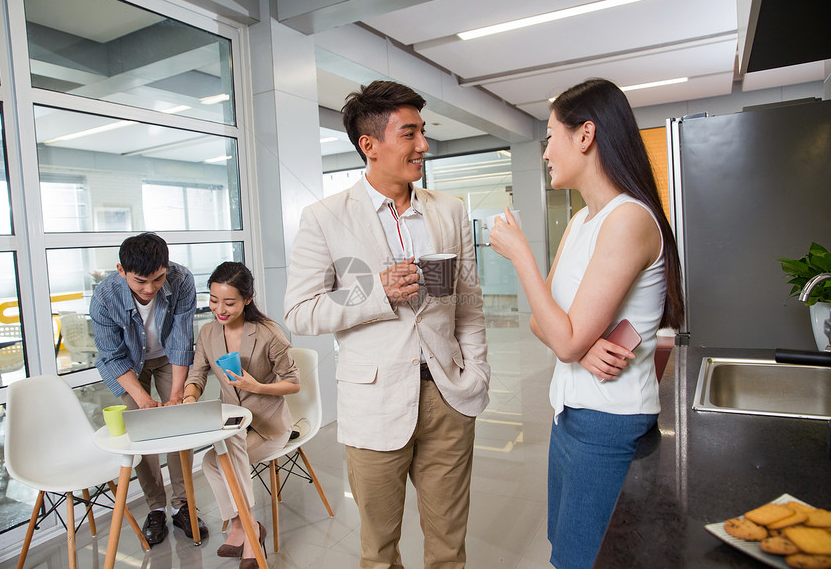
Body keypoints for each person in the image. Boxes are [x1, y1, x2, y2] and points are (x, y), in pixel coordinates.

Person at [284, 80, 490, 569]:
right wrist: (376, 294)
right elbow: (300, 311)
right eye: (410, 134)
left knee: (449, 545)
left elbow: (469, 302)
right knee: (378, 550)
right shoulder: (325, 217)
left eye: (423, 132)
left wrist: (476, 372)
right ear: (369, 146)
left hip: (447, 394)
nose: (423, 145)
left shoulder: (450, 210)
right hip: (373, 401)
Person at [488, 78, 684, 569]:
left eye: (551, 137)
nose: (547, 152)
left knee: (585, 560)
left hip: (610, 421)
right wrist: (577, 343)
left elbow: (565, 335)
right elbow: (545, 323)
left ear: (585, 135)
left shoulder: (629, 219)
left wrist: (522, 258)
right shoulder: (581, 221)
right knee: (568, 550)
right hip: (570, 412)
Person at [90, 232, 207, 545]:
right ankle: (155, 506)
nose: (150, 288)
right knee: (141, 433)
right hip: (128, 366)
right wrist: (143, 401)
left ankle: (183, 505)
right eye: (140, 280)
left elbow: (183, 338)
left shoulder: (181, 279)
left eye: (157, 278)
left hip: (170, 357)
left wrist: (175, 397)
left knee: (179, 423)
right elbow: (112, 356)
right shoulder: (104, 297)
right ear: (121, 270)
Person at [183, 261, 300, 569]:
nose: (219, 309)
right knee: (212, 459)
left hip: (268, 426)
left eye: (229, 302)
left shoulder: (268, 333)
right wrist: (188, 396)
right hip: (235, 424)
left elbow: (293, 384)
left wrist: (256, 385)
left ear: (247, 299)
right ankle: (244, 524)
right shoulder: (208, 333)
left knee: (228, 452)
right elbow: (197, 374)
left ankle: (246, 532)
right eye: (213, 299)